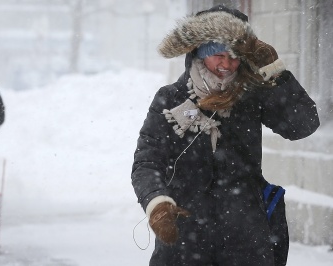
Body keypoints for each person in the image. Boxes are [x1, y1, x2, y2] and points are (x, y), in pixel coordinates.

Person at [131, 5, 319, 266]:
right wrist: (157, 204)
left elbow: (303, 124)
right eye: (218, 55)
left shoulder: (253, 95)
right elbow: (147, 161)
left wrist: (274, 69)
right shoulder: (170, 98)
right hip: (185, 238)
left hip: (245, 238)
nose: (227, 64)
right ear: (199, 52)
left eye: (234, 56)